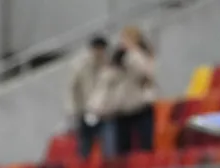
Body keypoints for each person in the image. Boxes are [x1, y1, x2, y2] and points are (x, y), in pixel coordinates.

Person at [113, 26, 157, 155]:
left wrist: (132, 54)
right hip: (123, 106)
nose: (123, 42)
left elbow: (145, 74)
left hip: (141, 103)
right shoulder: (118, 57)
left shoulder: (141, 55)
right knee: (123, 146)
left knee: (145, 143)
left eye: (127, 39)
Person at [67, 36, 111, 159]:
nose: (99, 52)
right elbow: (73, 88)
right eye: (97, 49)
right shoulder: (80, 65)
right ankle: (84, 165)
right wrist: (73, 110)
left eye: (101, 49)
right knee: (85, 143)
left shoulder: (108, 64)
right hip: (84, 110)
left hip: (104, 111)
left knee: (106, 144)